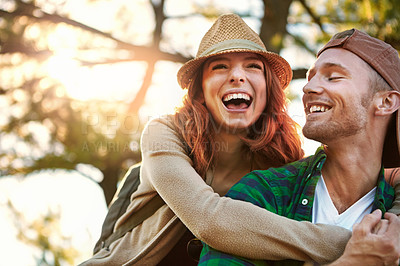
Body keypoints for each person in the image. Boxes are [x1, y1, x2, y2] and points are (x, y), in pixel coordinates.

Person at [80, 15, 400, 265]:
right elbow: (209, 219)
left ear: (266, 88)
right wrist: (354, 244)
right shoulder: (165, 133)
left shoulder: (279, 158)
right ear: (201, 91)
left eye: (252, 67)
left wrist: (390, 175)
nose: (237, 76)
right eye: (220, 67)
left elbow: (332, 172)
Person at [199, 28, 400, 265]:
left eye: (333, 77)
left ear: (386, 102)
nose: (307, 88)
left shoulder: (393, 207)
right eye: (310, 77)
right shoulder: (263, 194)